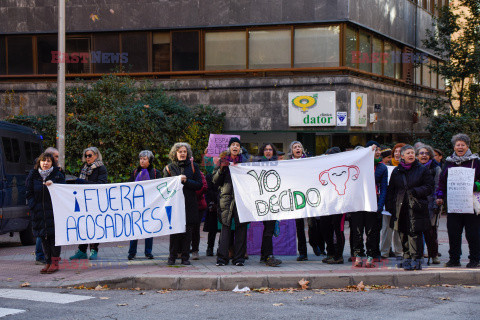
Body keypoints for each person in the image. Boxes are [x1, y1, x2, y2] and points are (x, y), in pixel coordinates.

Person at [386, 145, 434, 271]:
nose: (411, 155)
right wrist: (390, 206)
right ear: (402, 156)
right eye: (408, 153)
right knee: (402, 232)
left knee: (415, 233)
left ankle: (416, 259)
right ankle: (406, 257)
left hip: (416, 206)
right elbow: (391, 190)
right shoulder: (397, 171)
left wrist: (416, 191)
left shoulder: (422, 170)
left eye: (412, 153)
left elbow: (429, 187)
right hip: (400, 206)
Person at [436, 134, 480, 268]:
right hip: (454, 204)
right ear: (454, 147)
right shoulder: (449, 162)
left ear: (468, 146)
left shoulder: (476, 161)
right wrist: (439, 195)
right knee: (453, 233)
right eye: (457, 145)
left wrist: (474, 186)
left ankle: (475, 259)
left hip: (471, 204)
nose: (460, 147)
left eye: (463, 145)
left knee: (473, 234)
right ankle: (454, 259)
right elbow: (442, 181)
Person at [26, 152, 65, 274]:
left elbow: (63, 190)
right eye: (43, 161)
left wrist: (53, 184)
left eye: (48, 161)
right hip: (38, 212)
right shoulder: (33, 175)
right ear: (39, 162)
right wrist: (32, 205)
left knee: (54, 238)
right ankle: (47, 262)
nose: (45, 163)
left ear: (52, 163)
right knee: (43, 237)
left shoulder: (57, 175)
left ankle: (55, 263)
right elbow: (28, 192)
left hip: (53, 211)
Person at [163, 143, 203, 265]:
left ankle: (185, 258)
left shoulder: (194, 167)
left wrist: (186, 181)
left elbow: (199, 184)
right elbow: (165, 186)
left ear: (187, 153)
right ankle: (172, 257)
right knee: (174, 232)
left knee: (187, 232)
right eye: (180, 151)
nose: (182, 153)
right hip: (174, 205)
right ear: (175, 153)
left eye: (184, 151)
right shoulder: (169, 168)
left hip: (189, 204)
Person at [351, 142, 388, 268]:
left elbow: (383, 188)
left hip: (373, 202)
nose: (377, 152)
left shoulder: (382, 168)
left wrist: (380, 205)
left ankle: (371, 256)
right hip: (358, 203)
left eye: (378, 150)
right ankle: (358, 255)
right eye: (374, 150)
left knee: (372, 231)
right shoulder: (357, 165)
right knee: (357, 231)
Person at [213, 137, 249, 266]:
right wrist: (221, 169)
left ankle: (239, 259)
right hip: (226, 199)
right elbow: (215, 181)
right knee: (225, 230)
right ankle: (222, 259)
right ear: (229, 148)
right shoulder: (223, 161)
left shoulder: (246, 162)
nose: (235, 147)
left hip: (242, 199)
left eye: (237, 145)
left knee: (241, 230)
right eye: (233, 144)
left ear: (240, 149)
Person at [69, 147, 108, 260]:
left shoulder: (101, 168)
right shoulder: (84, 167)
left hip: (95, 202)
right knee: (83, 225)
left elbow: (101, 184)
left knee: (94, 225)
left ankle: (93, 250)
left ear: (96, 155)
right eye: (86, 156)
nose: (87, 158)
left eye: (90, 155)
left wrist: (84, 183)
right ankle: (82, 250)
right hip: (83, 201)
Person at [127, 150, 161, 260]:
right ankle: (132, 252)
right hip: (136, 205)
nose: (142, 161)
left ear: (150, 161)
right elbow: (129, 186)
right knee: (135, 229)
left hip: (150, 205)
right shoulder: (135, 172)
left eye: (145, 159)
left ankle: (148, 252)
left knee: (149, 229)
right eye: (141, 158)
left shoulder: (156, 173)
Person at [256, 143, 282, 267]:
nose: (268, 151)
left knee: (268, 229)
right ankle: (268, 256)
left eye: (270, 149)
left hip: (274, 201)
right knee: (268, 229)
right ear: (262, 151)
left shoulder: (279, 164)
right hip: (263, 202)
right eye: (265, 149)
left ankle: (264, 255)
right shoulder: (257, 164)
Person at [416, 145, 442, 264]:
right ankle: (419, 254)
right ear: (417, 156)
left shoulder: (436, 168)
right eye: (421, 153)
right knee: (416, 231)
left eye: (426, 153)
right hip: (416, 203)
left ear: (430, 156)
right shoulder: (414, 168)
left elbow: (438, 186)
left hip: (431, 203)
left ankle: (434, 255)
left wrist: (437, 202)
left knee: (430, 232)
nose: (424, 155)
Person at [319, 146, 345, 264]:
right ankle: (330, 253)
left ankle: (339, 255)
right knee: (326, 228)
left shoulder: (343, 169)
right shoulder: (324, 169)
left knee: (338, 229)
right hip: (326, 204)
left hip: (340, 204)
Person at [287, 141, 309, 261]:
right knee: (300, 227)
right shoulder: (288, 163)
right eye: (295, 147)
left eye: (299, 146)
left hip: (309, 196)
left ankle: (316, 245)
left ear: (302, 149)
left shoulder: (309, 161)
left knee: (313, 225)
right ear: (292, 151)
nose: (297, 148)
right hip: (296, 198)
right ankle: (303, 253)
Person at [191, 167, 208, 260]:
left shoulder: (199, 172)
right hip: (185, 205)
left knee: (195, 229)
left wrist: (192, 194)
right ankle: (181, 250)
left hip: (198, 206)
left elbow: (204, 187)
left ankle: (195, 250)